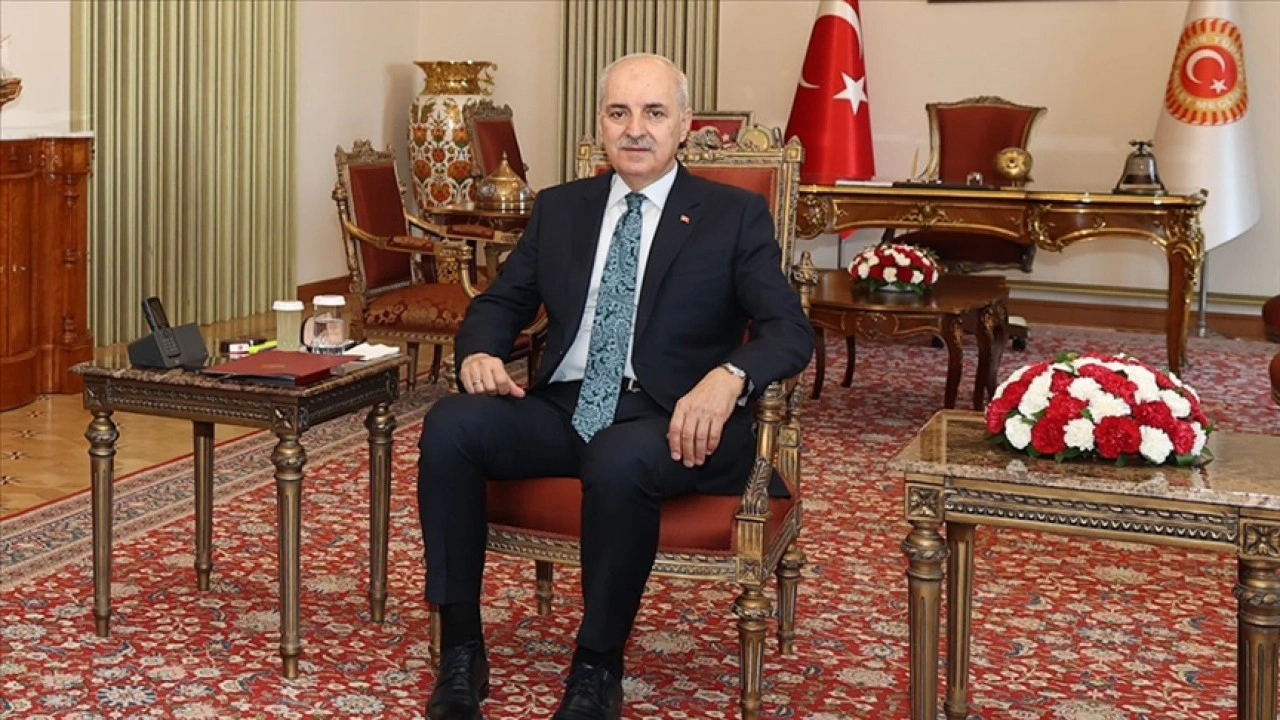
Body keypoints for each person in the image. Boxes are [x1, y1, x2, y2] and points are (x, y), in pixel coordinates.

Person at [417, 52, 813, 720]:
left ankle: (597, 666)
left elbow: (789, 329)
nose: (635, 129)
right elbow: (502, 302)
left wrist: (730, 377)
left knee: (618, 457)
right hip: (566, 406)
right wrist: (480, 352)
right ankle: (461, 651)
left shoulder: (732, 215)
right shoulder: (560, 208)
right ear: (600, 123)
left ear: (684, 123)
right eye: (618, 112)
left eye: (654, 113)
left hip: (673, 418)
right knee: (451, 425)